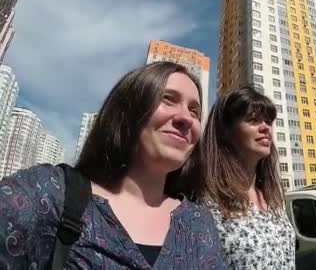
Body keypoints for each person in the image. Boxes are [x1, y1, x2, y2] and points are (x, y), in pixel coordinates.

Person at [0, 62, 226, 269]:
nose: (186, 118)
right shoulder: (49, 195)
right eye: (168, 98)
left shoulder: (200, 225)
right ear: (128, 110)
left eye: (194, 111)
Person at [200, 86, 295, 269]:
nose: (266, 128)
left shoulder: (273, 198)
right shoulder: (207, 202)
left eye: (268, 121)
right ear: (226, 131)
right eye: (253, 119)